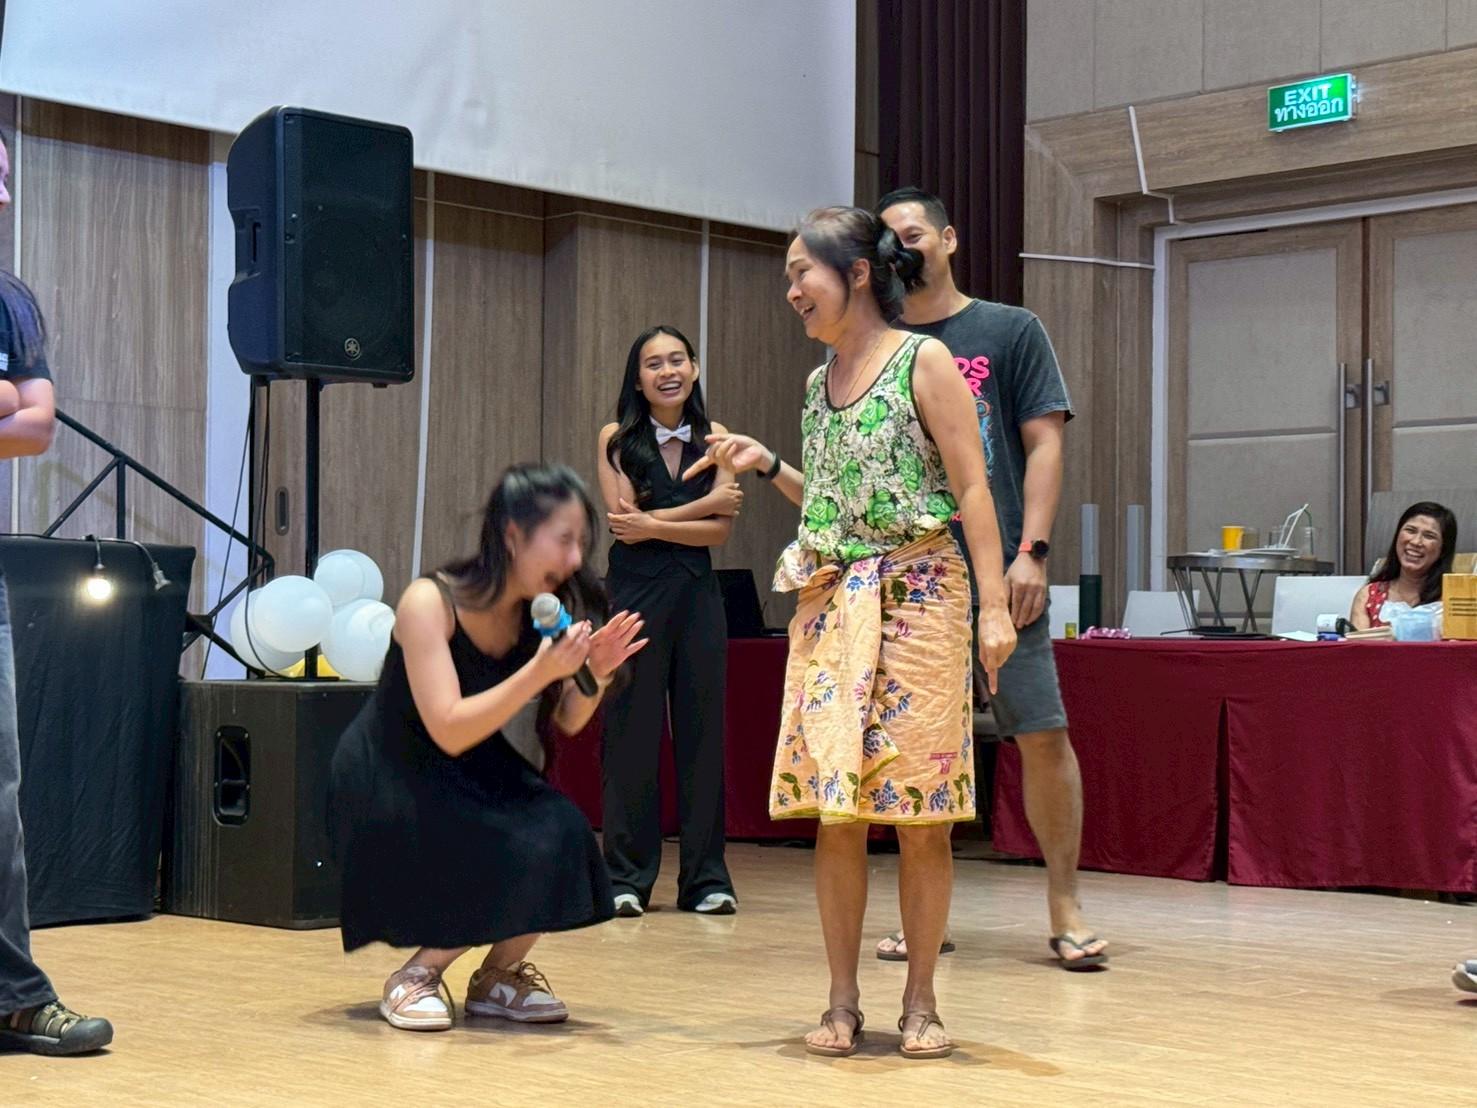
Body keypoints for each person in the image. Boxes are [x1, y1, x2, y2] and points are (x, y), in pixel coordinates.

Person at [687, 206, 1016, 1059]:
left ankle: (921, 1002)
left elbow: (971, 489)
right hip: (835, 600)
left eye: (802, 272)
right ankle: (840, 1001)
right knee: (837, 811)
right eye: (789, 277)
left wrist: (991, 606)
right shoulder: (816, 383)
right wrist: (769, 465)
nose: (792, 290)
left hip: (921, 595)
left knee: (920, 811)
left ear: (858, 273)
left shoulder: (923, 360)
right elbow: (832, 504)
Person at [870, 186, 1107, 972]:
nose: (902, 247)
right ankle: (923, 914)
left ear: (948, 239)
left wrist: (1030, 549)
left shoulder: (1009, 330)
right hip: (910, 578)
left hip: (1000, 571)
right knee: (919, 747)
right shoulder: (877, 343)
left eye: (914, 233)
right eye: (888, 238)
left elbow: (1043, 444)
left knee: (1039, 732)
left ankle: (1064, 905)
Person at [329, 464, 646, 1032]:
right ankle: (416, 975)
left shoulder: (539, 607)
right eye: (564, 539)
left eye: (582, 543)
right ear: (513, 536)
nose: (576, 558)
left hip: (471, 758)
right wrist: (540, 671)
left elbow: (569, 720)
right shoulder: (429, 601)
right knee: (494, 842)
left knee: (562, 829)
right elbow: (447, 727)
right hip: (391, 767)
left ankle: (497, 977)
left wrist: (594, 674)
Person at [0, 131, 115, 1056]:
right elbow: (15, 407)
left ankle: (13, 996)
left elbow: (38, 426)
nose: (3, 195)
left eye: (5, 178)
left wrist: (14, 402)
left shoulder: (11, 299)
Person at [596, 325, 740, 916]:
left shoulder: (718, 437)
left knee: (703, 737)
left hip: (698, 596)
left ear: (694, 368)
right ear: (638, 380)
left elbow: (720, 533)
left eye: (677, 360)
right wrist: (704, 506)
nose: (667, 371)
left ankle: (706, 880)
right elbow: (624, 523)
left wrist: (657, 523)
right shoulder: (616, 437)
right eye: (653, 364)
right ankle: (625, 879)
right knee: (631, 734)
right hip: (634, 594)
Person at [1349, 502, 1456, 630]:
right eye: (1410, 531)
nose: (1416, 542)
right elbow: (1359, 643)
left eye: (1429, 536)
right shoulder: (1369, 596)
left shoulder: (1456, 600)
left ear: (1443, 549)